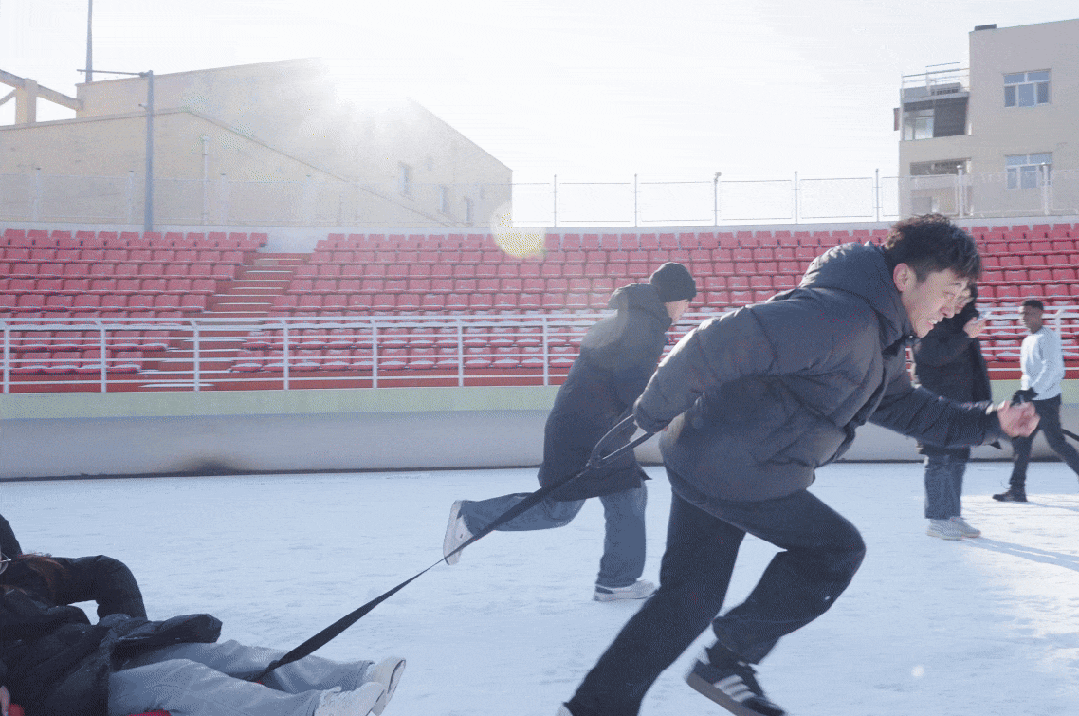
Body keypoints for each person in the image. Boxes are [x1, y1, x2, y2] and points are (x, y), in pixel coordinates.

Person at [557, 214, 1038, 716]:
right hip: (735, 468)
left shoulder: (881, 338)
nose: (954, 307)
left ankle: (594, 708)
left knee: (689, 599)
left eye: (962, 295)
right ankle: (728, 660)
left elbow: (907, 408)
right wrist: (649, 413)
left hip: (712, 457)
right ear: (904, 278)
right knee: (833, 550)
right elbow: (715, 342)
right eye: (950, 291)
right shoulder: (837, 319)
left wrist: (991, 422)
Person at [443, 262, 697, 601]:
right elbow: (631, 384)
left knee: (597, 502)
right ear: (674, 298)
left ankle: (616, 580)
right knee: (583, 504)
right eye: (687, 301)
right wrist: (662, 408)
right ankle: (472, 518)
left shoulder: (634, 320)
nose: (687, 308)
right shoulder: (645, 326)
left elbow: (623, 379)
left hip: (586, 426)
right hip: (589, 431)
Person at [0, 554, 405, 716]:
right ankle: (315, 711)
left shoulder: (14, 573)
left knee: (215, 653)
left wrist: (126, 623)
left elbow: (107, 572)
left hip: (91, 653)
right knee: (177, 679)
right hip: (49, 691)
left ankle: (354, 678)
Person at [911, 284, 994, 540]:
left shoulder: (965, 320)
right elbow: (931, 356)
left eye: (966, 298)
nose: (961, 303)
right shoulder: (928, 316)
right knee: (938, 459)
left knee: (958, 458)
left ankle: (952, 515)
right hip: (934, 400)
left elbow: (973, 364)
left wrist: (980, 400)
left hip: (964, 401)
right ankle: (937, 519)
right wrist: (965, 336)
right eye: (958, 297)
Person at [993, 299, 1079, 502]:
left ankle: (1017, 489)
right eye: (1021, 313)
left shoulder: (1048, 338)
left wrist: (1033, 391)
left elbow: (1053, 369)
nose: (1024, 317)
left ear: (1041, 313)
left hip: (1046, 401)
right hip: (1031, 401)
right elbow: (1030, 372)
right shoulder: (1028, 340)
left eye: (1029, 313)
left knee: (1056, 443)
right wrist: (1024, 392)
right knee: (1022, 444)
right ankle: (1017, 490)